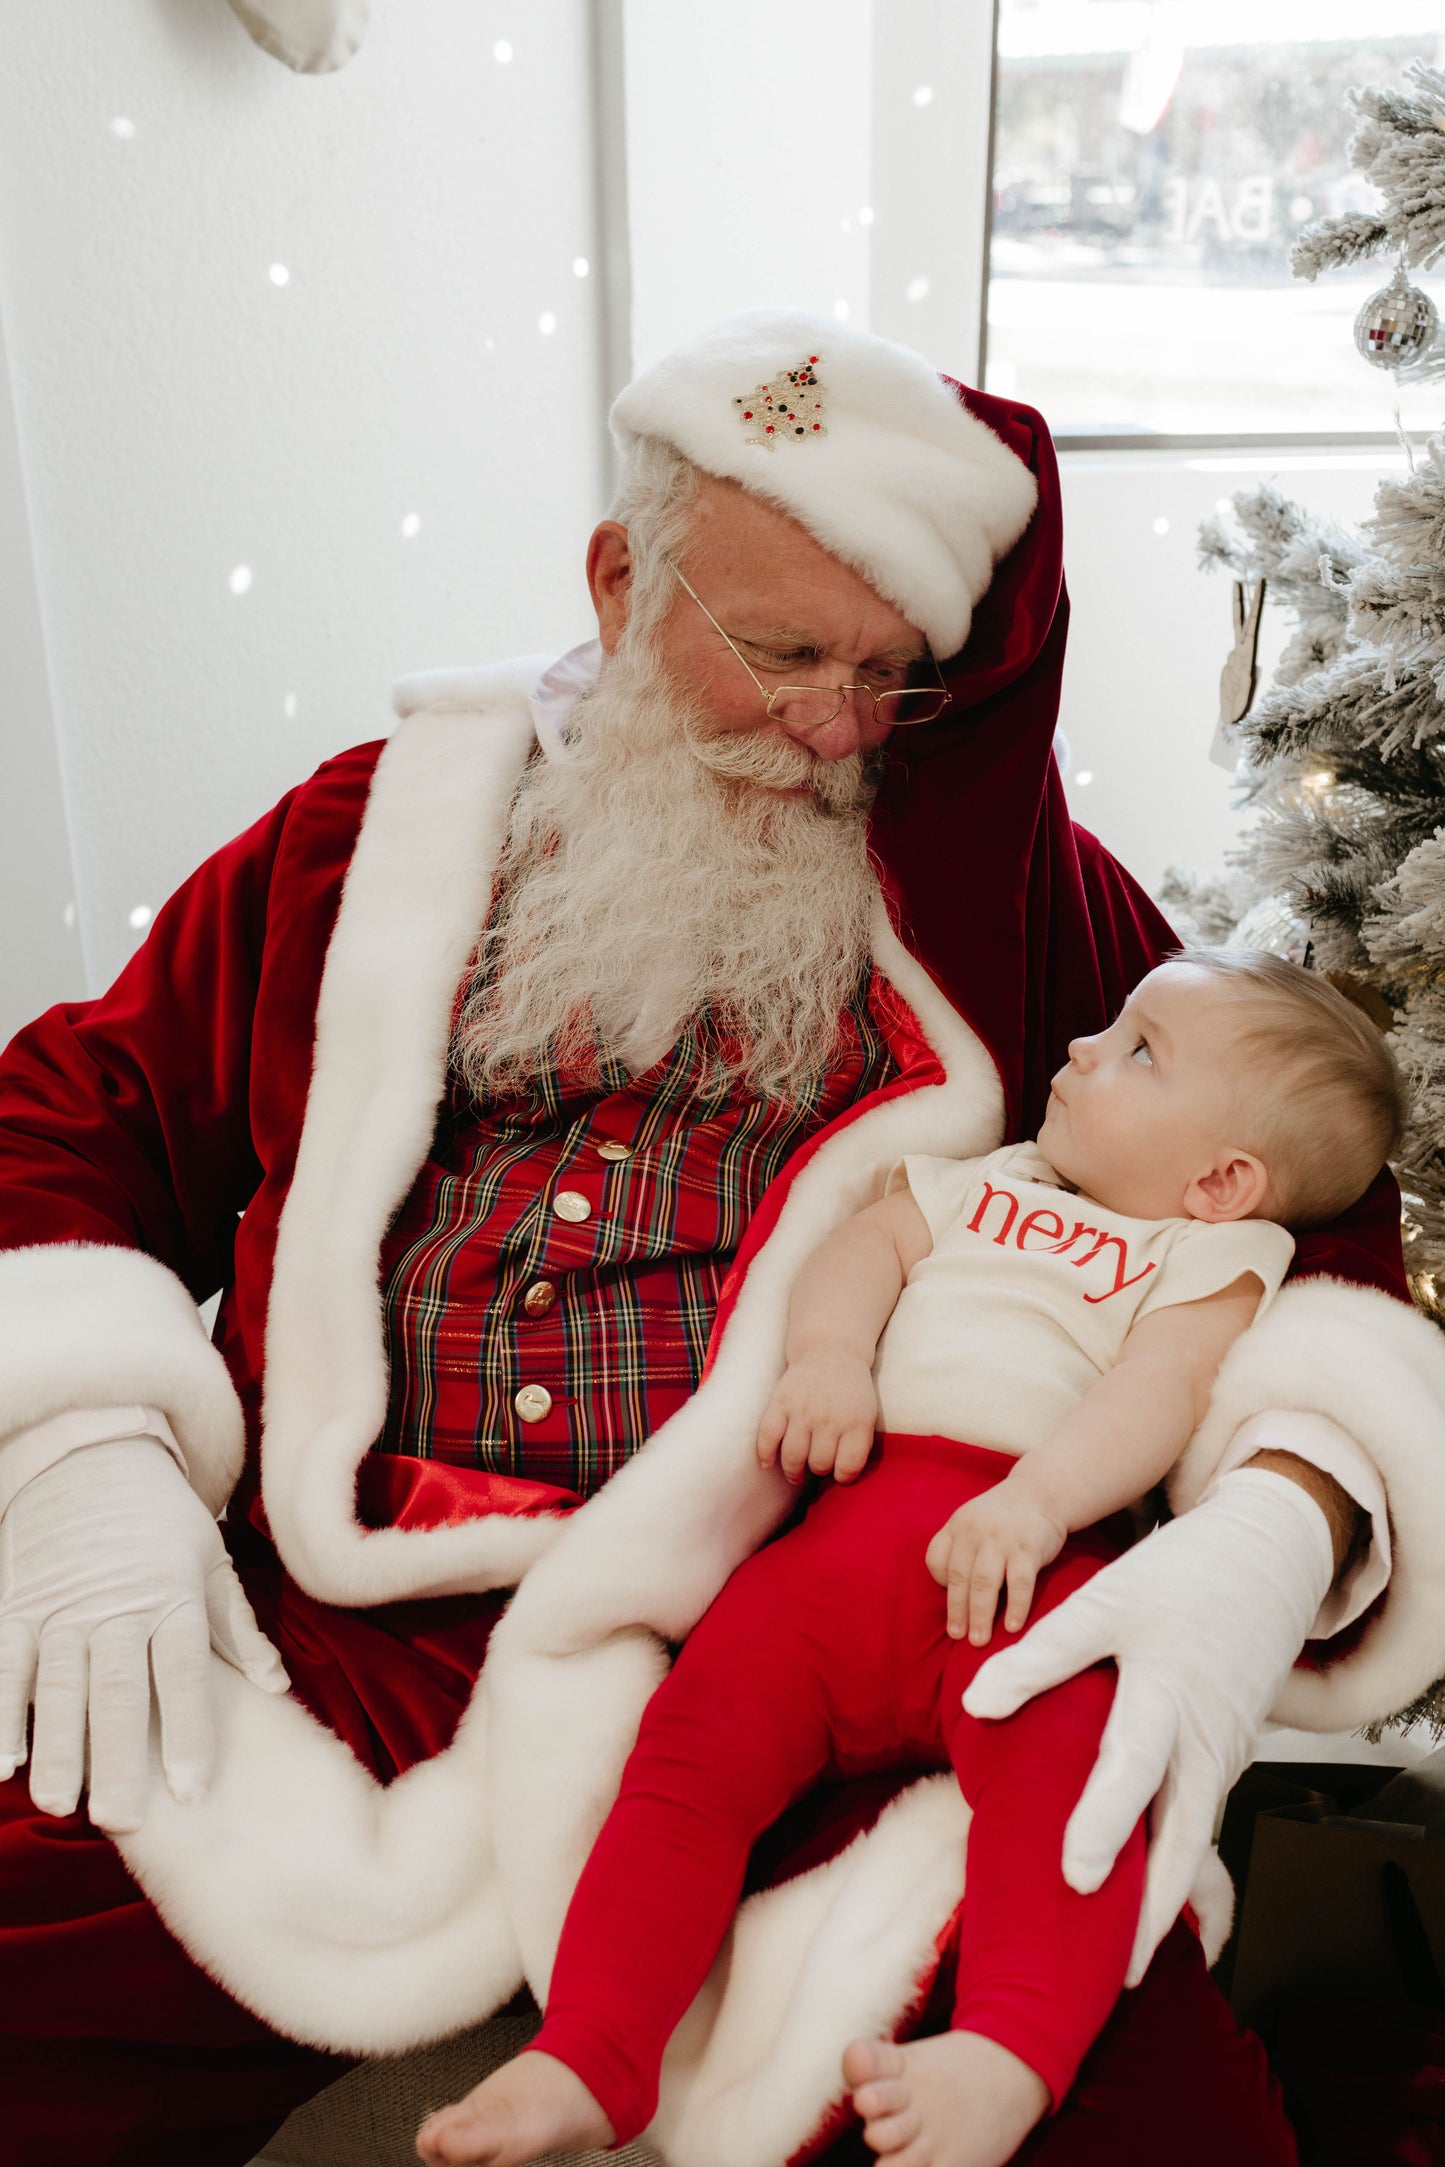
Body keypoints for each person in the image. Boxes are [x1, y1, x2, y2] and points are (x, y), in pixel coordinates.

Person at [0, 311, 1442, 2167]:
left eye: (890, 676)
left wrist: (1279, 1517)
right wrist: (83, 1454)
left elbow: (1286, 1200)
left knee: (1130, 2111)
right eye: (778, 652)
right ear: (619, 584)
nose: (835, 726)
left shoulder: (1010, 897)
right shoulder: (369, 837)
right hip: (346, 1617)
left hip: (812, 1626)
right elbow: (72, 1109)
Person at [415, 950, 1405, 2167]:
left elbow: (1159, 1392)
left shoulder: (1209, 1261)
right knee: (685, 1764)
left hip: (1028, 1569)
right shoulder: (982, 1181)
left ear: (1218, 1181)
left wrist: (1039, 1501)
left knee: (1078, 1804)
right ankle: (591, 2051)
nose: (1083, 1046)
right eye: (1108, 1025)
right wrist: (826, 1361)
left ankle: (1009, 2053)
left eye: (1137, 1049)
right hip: (841, 1546)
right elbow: (858, 1255)